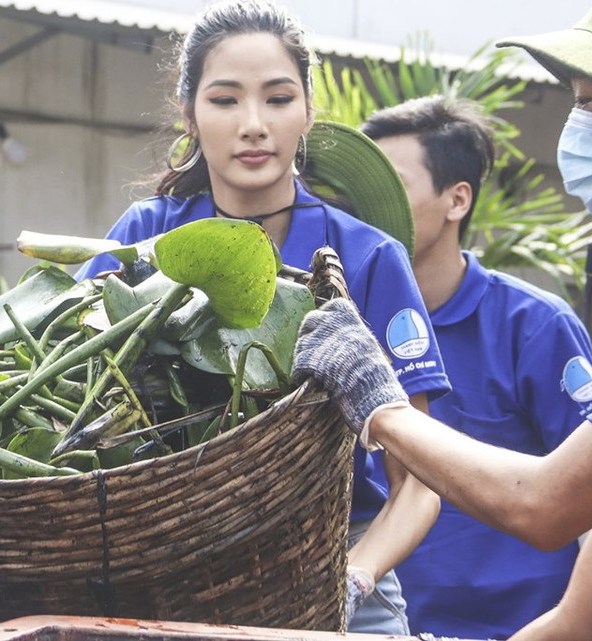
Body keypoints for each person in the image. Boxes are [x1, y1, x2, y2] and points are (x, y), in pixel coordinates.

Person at [76, 0, 451, 633]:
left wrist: (355, 575)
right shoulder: (142, 239)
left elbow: (421, 481)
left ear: (308, 110)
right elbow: (78, 401)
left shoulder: (368, 258)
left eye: (277, 99)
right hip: (172, 567)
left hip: (334, 557)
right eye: (225, 100)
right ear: (188, 113)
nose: (254, 124)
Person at [293, 0, 592, 638]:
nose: (578, 126)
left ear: (458, 199)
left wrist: (380, 401)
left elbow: (552, 503)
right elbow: (586, 620)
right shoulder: (334, 317)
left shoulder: (531, 326)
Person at [360, 94, 592, 639]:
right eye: (357, 189)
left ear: (457, 200)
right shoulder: (337, 330)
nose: (365, 206)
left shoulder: (535, 326)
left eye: (391, 185)